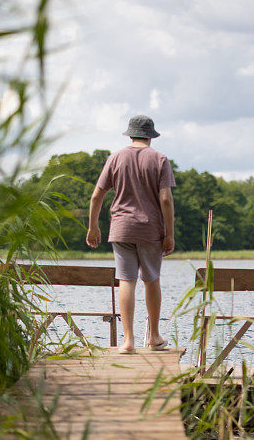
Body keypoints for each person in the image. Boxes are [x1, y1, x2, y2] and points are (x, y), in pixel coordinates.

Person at [86, 115, 176, 354]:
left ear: (130, 134)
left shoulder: (115, 158)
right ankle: (154, 336)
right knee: (151, 279)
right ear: (150, 136)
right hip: (150, 230)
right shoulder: (160, 159)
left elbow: (97, 195)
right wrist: (169, 234)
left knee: (126, 280)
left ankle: (127, 341)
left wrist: (93, 226)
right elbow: (165, 199)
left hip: (121, 228)